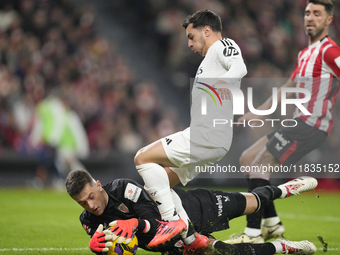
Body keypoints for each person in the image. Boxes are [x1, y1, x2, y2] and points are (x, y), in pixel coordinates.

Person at [224, 0, 340, 244]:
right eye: (307, 13)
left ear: (329, 20)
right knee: (247, 159)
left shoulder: (330, 51)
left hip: (312, 125)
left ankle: (253, 233)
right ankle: (272, 223)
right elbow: (288, 86)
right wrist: (259, 112)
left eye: (317, 14)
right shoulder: (305, 53)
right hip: (299, 122)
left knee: (259, 165)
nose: (310, 18)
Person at [133, 9, 247, 249]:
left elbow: (239, 66)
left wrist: (223, 86)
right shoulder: (210, 60)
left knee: (142, 158)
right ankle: (191, 241)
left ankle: (171, 221)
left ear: (207, 30)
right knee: (159, 184)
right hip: (213, 140)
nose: (189, 43)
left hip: (206, 136)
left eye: (191, 36)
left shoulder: (222, 45)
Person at [66, 169, 318, 255]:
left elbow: (158, 224)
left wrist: (134, 223)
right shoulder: (88, 221)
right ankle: (285, 247)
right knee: (231, 253)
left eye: (90, 196)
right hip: (177, 246)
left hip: (193, 209)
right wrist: (97, 249)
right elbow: (121, 248)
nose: (90, 206)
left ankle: (285, 189)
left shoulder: (124, 188)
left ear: (98, 185)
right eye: (82, 203)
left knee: (254, 202)